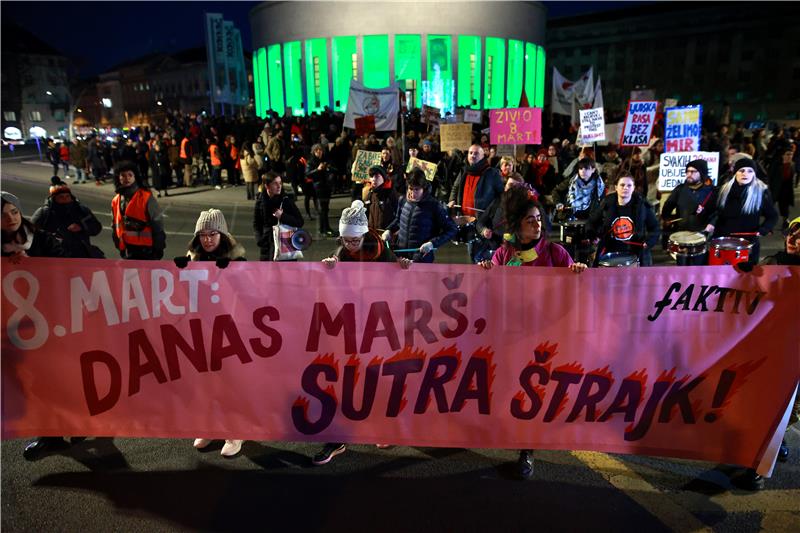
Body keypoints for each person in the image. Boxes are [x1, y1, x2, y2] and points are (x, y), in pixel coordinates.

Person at [478, 187, 586, 479]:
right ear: (517, 225)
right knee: (510, 388)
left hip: (545, 338)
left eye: (539, 219)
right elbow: (487, 293)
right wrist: (485, 272)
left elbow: (577, 289)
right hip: (512, 335)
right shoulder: (502, 255)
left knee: (534, 392)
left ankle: (527, 449)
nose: (537, 224)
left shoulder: (556, 253)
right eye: (530, 219)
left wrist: (578, 272)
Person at [313, 200, 411, 466]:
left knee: (377, 374)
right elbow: (332, 275)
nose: (349, 245)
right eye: (344, 240)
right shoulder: (343, 253)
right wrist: (330, 266)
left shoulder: (380, 250)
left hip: (377, 324)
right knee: (346, 376)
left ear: (364, 234)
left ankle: (382, 426)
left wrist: (402, 266)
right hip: (352, 323)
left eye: (353, 240)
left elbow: (397, 280)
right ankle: (338, 437)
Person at [2, 192, 70, 460]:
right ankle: (49, 435)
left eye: (14, 212)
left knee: (62, 376)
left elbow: (68, 266)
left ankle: (77, 424)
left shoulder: (38, 238)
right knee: (33, 382)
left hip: (52, 321)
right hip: (15, 329)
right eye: (4, 214)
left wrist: (34, 266)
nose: (10, 219)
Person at [180, 209, 247, 457]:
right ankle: (209, 426)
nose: (208, 239)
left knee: (230, 381)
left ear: (222, 234)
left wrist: (227, 273)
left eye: (213, 234)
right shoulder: (193, 256)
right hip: (201, 328)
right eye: (203, 235)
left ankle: (235, 431)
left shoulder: (237, 259)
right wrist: (180, 272)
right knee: (205, 381)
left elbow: (248, 292)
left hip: (229, 327)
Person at [709, 158, 778, 264]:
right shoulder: (722, 190)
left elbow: (772, 216)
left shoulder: (761, 192)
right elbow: (712, 212)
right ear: (735, 173)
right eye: (741, 170)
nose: (745, 174)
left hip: (747, 244)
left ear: (754, 174)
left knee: (746, 278)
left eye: (750, 171)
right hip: (722, 244)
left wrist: (764, 228)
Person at [383, 169, 458, 264]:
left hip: (421, 258)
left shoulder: (434, 205)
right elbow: (398, 220)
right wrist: (389, 230)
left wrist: (432, 244)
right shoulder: (402, 200)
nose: (413, 193)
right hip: (400, 255)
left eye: (417, 189)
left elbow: (452, 229)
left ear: (424, 188)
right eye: (410, 188)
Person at [586, 172, 660, 266]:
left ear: (633, 188)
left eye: (629, 185)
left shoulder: (642, 206)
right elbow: (591, 222)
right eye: (622, 185)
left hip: (635, 253)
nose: (625, 188)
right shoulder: (606, 203)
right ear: (616, 187)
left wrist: (649, 242)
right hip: (609, 252)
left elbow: (655, 227)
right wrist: (592, 236)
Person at [31, 177, 104, 258]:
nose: (65, 199)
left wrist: (82, 227)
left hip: (80, 255)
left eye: (67, 196)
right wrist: (50, 237)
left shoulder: (82, 210)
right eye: (61, 197)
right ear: (54, 198)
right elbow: (30, 233)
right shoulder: (44, 212)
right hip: (55, 256)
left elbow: (97, 227)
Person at [110, 161, 166, 260]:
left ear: (135, 177)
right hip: (126, 249)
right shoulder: (116, 200)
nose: (126, 178)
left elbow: (157, 224)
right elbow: (115, 225)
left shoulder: (145, 197)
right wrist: (117, 243)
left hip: (146, 251)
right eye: (123, 175)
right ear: (118, 178)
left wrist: (158, 248)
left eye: (130, 175)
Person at [253, 172, 304, 261]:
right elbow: (256, 223)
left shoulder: (286, 201)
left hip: (284, 245)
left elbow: (300, 222)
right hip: (267, 246)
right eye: (275, 183)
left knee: (285, 274)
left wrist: (282, 216)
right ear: (267, 186)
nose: (279, 186)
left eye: (280, 183)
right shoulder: (260, 201)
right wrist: (259, 240)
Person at [661, 159, 717, 233]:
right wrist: (667, 219)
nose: (689, 174)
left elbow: (716, 213)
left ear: (702, 173)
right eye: (687, 171)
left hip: (701, 234)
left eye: (693, 172)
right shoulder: (680, 189)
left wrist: (711, 224)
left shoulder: (711, 191)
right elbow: (667, 207)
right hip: (681, 233)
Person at [448, 144, 504, 218]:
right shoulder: (463, 171)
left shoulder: (492, 173)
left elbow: (501, 196)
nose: (472, 155)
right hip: (463, 217)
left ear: (483, 156)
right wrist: (452, 199)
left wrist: (491, 212)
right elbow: (455, 188)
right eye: (470, 153)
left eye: (476, 153)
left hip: (482, 220)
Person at [305, 143, 335, 236]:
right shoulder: (311, 161)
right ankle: (323, 229)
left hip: (327, 186)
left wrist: (329, 168)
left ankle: (325, 228)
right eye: (316, 150)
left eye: (320, 150)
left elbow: (334, 169)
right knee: (322, 209)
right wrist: (318, 169)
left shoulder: (325, 159)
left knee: (325, 209)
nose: (319, 152)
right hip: (318, 187)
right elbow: (308, 174)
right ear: (313, 152)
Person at [767, 149, 798, 230]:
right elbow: (770, 176)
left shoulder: (792, 165)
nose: (789, 156)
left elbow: (792, 177)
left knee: (785, 206)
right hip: (776, 188)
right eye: (787, 154)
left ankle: (785, 221)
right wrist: (769, 187)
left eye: (791, 154)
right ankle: (768, 223)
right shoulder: (776, 165)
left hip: (786, 189)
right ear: (783, 155)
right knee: (771, 206)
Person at [363, 165, 399, 232]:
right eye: (371, 176)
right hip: (373, 235)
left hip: (387, 236)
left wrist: (390, 230)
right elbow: (365, 214)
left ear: (384, 178)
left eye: (377, 176)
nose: (373, 179)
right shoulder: (370, 193)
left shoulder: (391, 193)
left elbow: (398, 216)